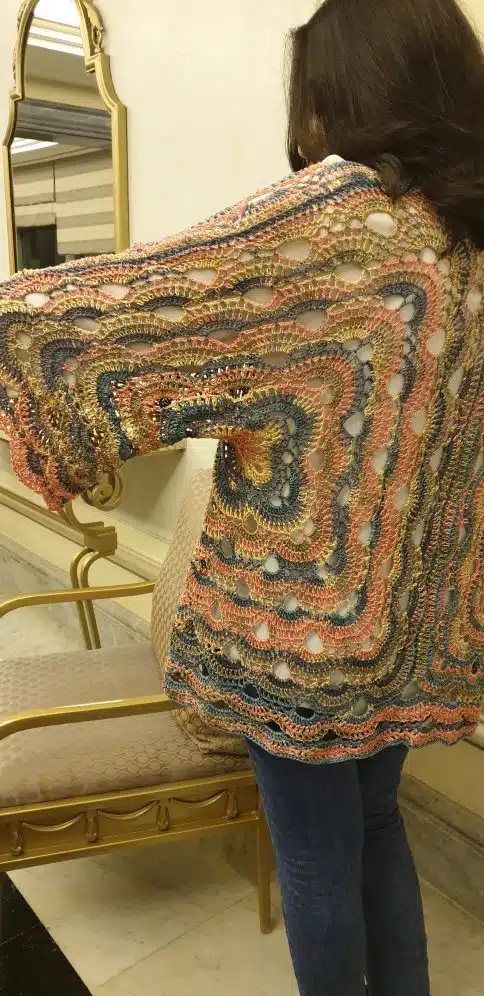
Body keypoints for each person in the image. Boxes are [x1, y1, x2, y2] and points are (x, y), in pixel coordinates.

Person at [0, 0, 483, 992]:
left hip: (291, 634)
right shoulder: (467, 236)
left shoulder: (330, 223)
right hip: (416, 624)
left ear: (342, 86)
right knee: (377, 825)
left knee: (313, 859)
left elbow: (122, 309)